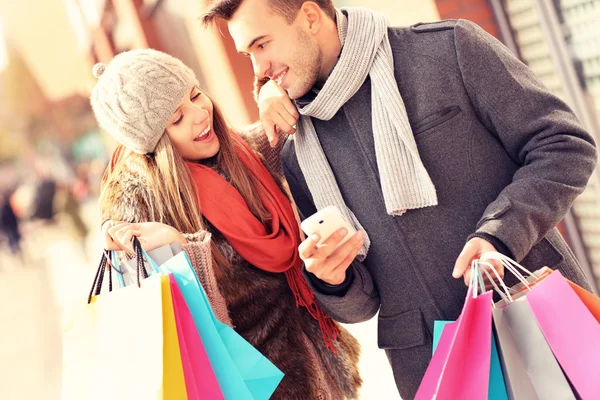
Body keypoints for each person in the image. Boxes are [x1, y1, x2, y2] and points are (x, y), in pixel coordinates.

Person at [201, 1, 598, 397]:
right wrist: (333, 280)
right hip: (431, 367)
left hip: (536, 321)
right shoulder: (296, 150)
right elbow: (360, 306)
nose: (257, 69)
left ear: (309, 16)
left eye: (262, 44)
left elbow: (564, 145)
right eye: (247, 54)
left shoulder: (448, 50)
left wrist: (500, 233)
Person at [92, 49, 362, 400]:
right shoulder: (140, 210)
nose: (200, 113)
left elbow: (320, 110)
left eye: (195, 95)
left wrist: (270, 90)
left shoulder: (247, 153)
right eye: (176, 118)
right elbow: (193, 340)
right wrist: (181, 251)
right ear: (153, 144)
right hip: (250, 388)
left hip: (321, 365)